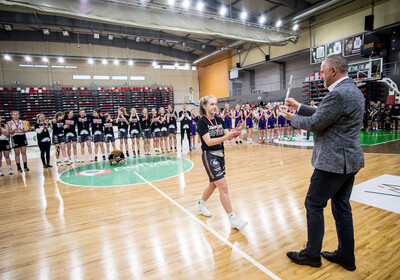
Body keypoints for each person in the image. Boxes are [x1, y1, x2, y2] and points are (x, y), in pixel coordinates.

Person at [282, 54, 364, 271]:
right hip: (349, 162)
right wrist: (299, 106)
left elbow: (316, 123)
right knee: (341, 207)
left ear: (333, 71)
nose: (320, 75)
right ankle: (346, 255)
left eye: (322, 70)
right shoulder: (353, 90)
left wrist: (290, 118)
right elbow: (325, 114)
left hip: (333, 163)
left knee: (314, 203)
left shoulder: (338, 94)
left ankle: (312, 254)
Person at [195, 95, 248, 230]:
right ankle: (232, 218)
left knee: (213, 185)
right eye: (211, 104)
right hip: (209, 155)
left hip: (220, 155)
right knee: (223, 187)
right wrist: (227, 136)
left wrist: (237, 131)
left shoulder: (219, 119)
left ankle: (200, 205)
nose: (215, 106)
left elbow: (227, 135)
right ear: (205, 107)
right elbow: (208, 141)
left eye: (215, 104)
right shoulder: (202, 122)